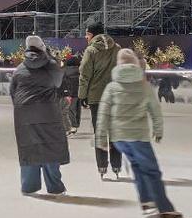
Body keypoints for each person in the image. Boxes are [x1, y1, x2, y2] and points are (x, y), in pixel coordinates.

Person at [97, 49, 183, 218]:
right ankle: (165, 209)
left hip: (119, 138)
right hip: (138, 137)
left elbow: (103, 113)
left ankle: (146, 201)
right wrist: (158, 130)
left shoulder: (112, 87)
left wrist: (100, 138)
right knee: (152, 171)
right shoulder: (144, 85)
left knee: (137, 168)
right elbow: (155, 110)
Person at [10, 35, 68, 196]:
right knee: (50, 145)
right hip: (47, 111)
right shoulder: (51, 65)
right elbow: (57, 83)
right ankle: (55, 187)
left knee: (29, 147)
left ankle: (29, 186)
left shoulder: (20, 68)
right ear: (42, 46)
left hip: (24, 112)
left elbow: (13, 92)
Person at [77, 18, 122, 177]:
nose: (86, 38)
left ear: (92, 35)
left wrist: (82, 95)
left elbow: (84, 75)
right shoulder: (117, 48)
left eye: (87, 34)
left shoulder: (91, 51)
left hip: (97, 98)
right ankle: (117, 165)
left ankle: (102, 166)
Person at [61, 54, 81, 134]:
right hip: (78, 92)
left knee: (70, 110)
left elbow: (62, 82)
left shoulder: (64, 71)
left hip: (69, 92)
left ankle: (73, 125)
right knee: (77, 109)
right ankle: (76, 124)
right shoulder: (80, 70)